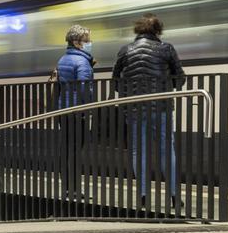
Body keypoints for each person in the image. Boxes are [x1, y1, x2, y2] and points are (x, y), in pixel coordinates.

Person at [112, 12, 186, 208]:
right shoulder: (166, 49)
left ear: (138, 30)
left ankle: (143, 196)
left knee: (138, 151)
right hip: (161, 107)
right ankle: (174, 196)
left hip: (134, 109)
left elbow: (116, 82)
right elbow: (180, 79)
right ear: (158, 30)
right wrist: (166, 83)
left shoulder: (125, 50)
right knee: (166, 150)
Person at [54, 25, 95, 200]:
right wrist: (89, 107)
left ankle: (67, 188)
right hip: (78, 111)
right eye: (87, 40)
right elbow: (84, 87)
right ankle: (76, 190)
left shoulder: (63, 59)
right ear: (77, 42)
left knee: (66, 149)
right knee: (77, 151)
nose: (89, 43)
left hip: (64, 109)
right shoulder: (82, 62)